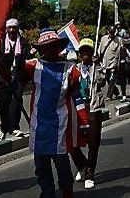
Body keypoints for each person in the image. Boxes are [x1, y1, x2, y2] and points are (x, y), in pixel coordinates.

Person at [16, 29, 89, 198]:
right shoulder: (33, 66)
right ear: (41, 49)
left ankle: (67, 192)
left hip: (61, 127)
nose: (49, 49)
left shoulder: (71, 70)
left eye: (52, 46)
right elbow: (17, 82)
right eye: (46, 46)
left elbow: (78, 97)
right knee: (41, 167)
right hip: (39, 126)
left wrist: (84, 121)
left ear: (58, 47)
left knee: (62, 166)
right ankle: (47, 193)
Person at [70, 38, 104, 190]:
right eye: (82, 51)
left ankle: (90, 173)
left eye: (88, 51)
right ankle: (82, 165)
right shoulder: (74, 69)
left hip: (93, 108)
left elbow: (102, 81)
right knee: (72, 142)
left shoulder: (96, 67)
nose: (85, 54)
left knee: (93, 142)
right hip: (78, 108)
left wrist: (98, 65)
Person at [0, 18, 31, 140]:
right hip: (3, 78)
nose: (11, 30)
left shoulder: (24, 43)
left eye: (13, 28)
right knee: (4, 104)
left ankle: (14, 127)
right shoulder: (1, 43)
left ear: (17, 29)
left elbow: (28, 58)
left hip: (18, 78)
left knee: (16, 102)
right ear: (6, 29)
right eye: (9, 28)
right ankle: (4, 128)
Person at [96, 26, 120, 101]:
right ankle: (116, 91)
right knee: (107, 80)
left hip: (113, 64)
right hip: (105, 63)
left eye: (113, 32)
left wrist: (115, 65)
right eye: (110, 32)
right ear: (108, 31)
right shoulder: (103, 38)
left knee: (112, 80)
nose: (111, 34)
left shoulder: (118, 40)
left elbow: (118, 54)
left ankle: (109, 95)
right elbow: (100, 49)